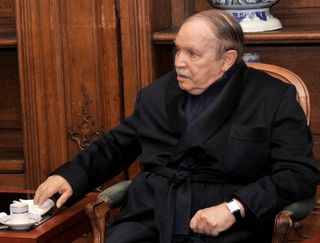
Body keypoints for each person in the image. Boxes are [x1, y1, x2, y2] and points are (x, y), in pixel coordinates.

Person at [34, 9, 319, 243]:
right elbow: (116, 145)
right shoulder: (156, 94)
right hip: (153, 213)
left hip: (226, 221)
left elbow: (298, 173)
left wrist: (234, 208)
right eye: (177, 51)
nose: (179, 63)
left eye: (193, 54)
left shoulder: (271, 98)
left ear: (227, 60)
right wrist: (71, 176)